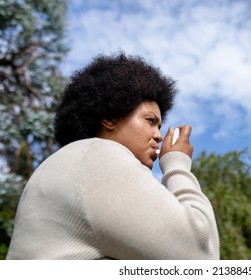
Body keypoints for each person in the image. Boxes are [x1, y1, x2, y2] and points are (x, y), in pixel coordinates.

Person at [6, 53, 220, 260]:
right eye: (150, 121)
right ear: (110, 117)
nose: (158, 135)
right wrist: (177, 165)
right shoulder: (98, 155)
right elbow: (201, 255)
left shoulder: (72, 161)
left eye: (160, 126)